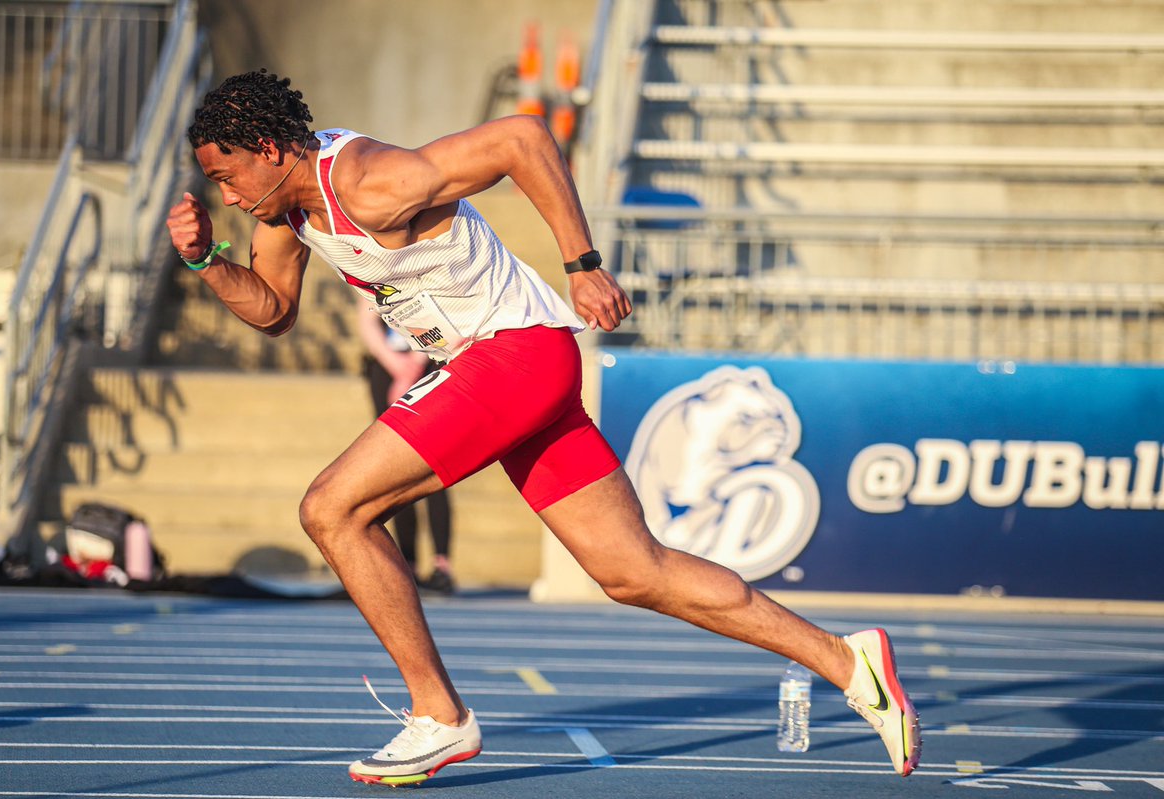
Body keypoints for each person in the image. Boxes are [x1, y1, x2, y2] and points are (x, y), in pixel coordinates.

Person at [166, 69, 921, 786]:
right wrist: (206, 262)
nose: (227, 196)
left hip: (513, 358)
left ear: (269, 150)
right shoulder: (285, 214)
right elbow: (272, 310)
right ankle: (848, 661)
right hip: (514, 368)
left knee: (333, 507)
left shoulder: (367, 179)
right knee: (634, 572)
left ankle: (440, 713)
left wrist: (583, 263)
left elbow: (522, 138)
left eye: (228, 176)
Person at [357, 298, 455, 595]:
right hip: (387, 367)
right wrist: (394, 364)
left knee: (435, 465)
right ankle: (407, 563)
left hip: (430, 363)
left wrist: (415, 366)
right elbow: (366, 317)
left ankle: (442, 565)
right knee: (395, 469)